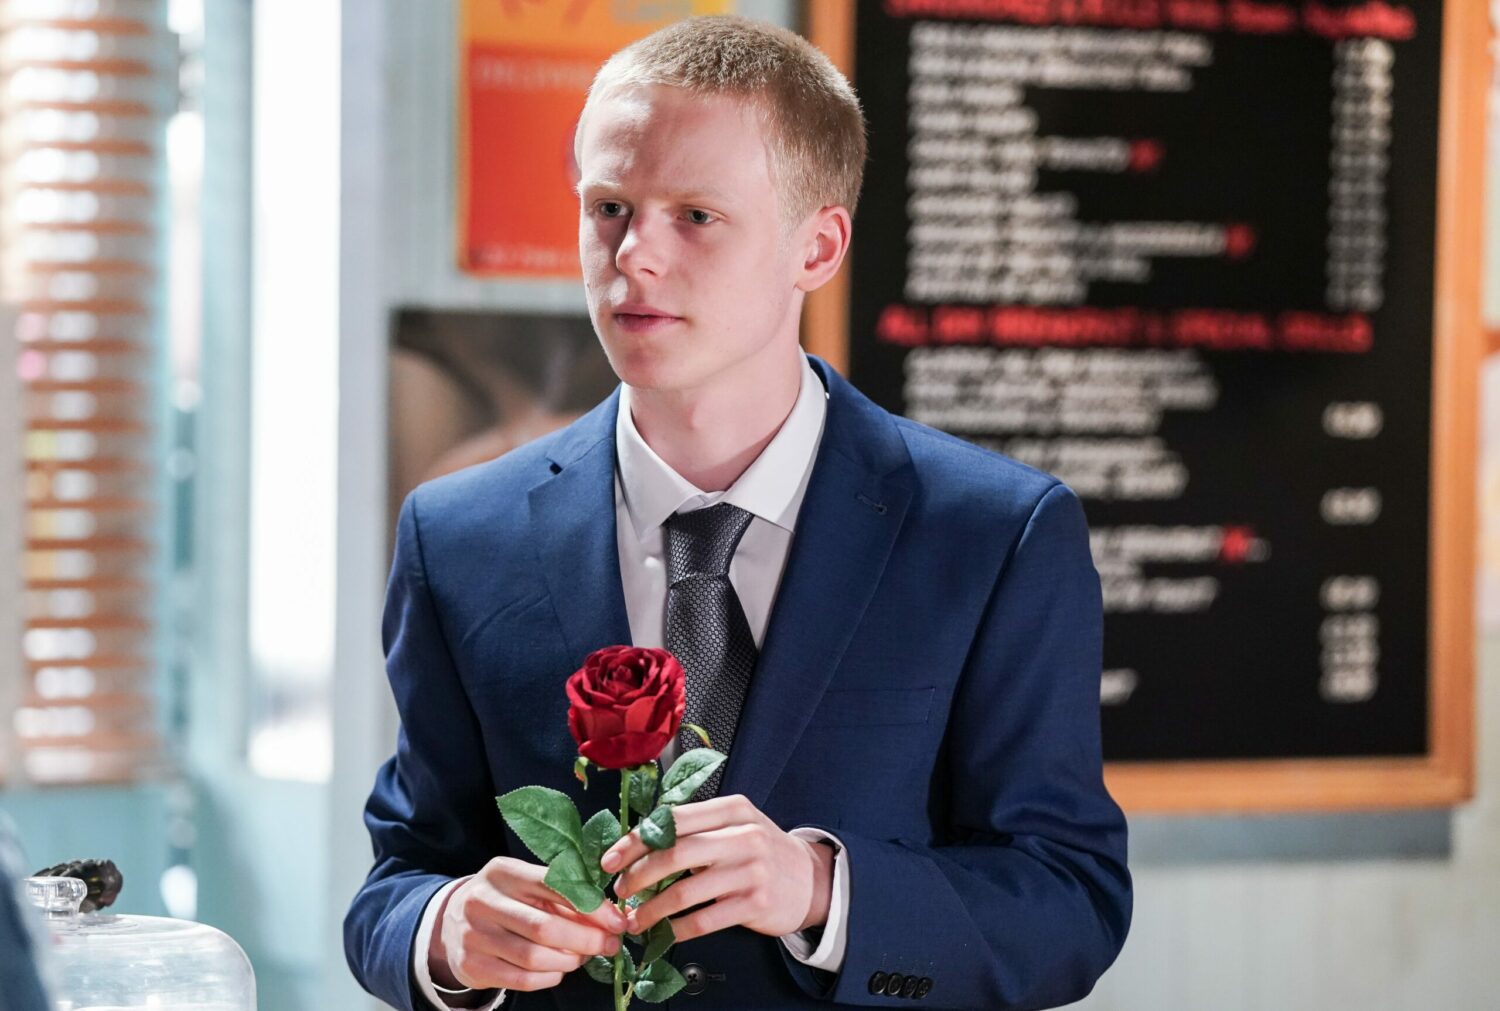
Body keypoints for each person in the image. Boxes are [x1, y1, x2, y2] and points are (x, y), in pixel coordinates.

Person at [345, 15, 1131, 1010]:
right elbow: (399, 881)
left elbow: (1071, 907)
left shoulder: (994, 536)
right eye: (609, 207)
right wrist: (446, 933)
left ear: (819, 245)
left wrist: (819, 887)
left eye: (695, 216)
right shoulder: (457, 535)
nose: (634, 257)